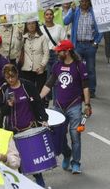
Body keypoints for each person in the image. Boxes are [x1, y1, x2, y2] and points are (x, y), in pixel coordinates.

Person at [40, 39, 92, 175]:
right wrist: (38, 99)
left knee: (75, 135)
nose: (57, 54)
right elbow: (49, 84)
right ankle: (67, 154)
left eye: (60, 51)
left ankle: (76, 163)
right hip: (58, 107)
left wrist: (87, 104)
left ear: (67, 51)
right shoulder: (57, 66)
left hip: (74, 106)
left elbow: (86, 87)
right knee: (59, 135)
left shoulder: (80, 66)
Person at [0, 63, 48, 187]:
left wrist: (44, 119)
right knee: (16, 160)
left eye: (13, 77)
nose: (11, 80)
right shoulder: (4, 90)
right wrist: (8, 105)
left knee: (33, 157)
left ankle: (39, 181)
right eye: (7, 78)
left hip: (29, 128)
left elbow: (38, 104)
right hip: (12, 130)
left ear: (17, 74)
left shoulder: (28, 86)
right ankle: (21, 183)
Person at [63, 0, 103, 98]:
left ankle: (92, 90)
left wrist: (96, 42)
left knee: (90, 69)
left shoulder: (94, 12)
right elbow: (65, 22)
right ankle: (77, 89)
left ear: (89, 2)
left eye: (86, 1)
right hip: (78, 45)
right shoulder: (75, 11)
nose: (84, 3)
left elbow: (101, 28)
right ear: (79, 2)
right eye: (82, 1)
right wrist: (71, 11)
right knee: (76, 69)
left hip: (90, 45)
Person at [43, 8, 67, 101]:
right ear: (44, 16)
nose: (49, 16)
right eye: (47, 14)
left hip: (56, 54)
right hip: (45, 54)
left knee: (56, 77)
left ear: (53, 16)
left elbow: (64, 40)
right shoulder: (41, 28)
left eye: (50, 14)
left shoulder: (59, 27)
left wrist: (58, 49)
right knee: (48, 77)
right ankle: (48, 98)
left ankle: (57, 99)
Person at [18, 21, 49, 90]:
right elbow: (18, 49)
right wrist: (19, 37)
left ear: (36, 25)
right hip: (26, 69)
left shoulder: (42, 37)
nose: (31, 25)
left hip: (39, 69)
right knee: (28, 91)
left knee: (40, 92)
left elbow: (46, 53)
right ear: (26, 25)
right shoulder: (23, 37)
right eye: (28, 24)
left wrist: (42, 65)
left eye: (33, 23)